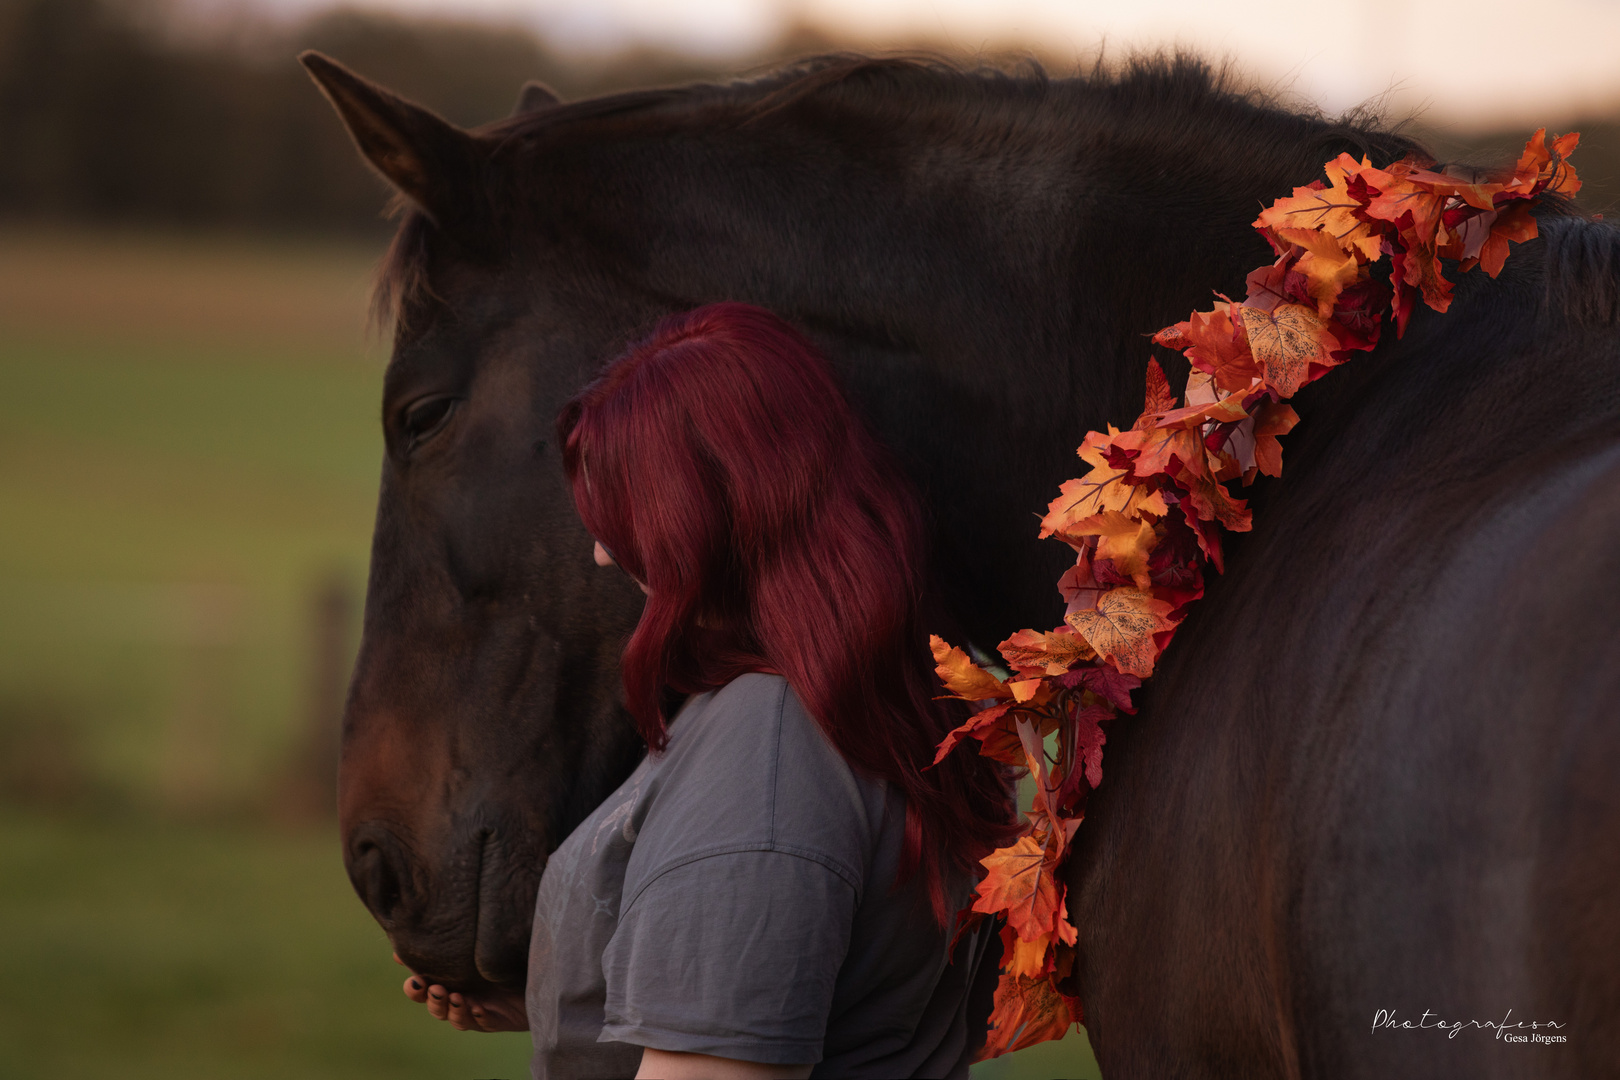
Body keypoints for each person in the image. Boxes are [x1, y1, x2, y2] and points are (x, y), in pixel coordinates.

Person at [401, 302, 1015, 1078]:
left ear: (699, 523)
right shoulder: (832, 699)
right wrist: (574, 998)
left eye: (620, 518)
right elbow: (799, 977)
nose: (599, 555)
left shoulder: (769, 759)